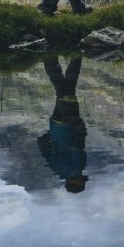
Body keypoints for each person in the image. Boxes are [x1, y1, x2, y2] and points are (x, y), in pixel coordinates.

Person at [38, 55, 89, 192]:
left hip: (70, 123)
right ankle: (53, 59)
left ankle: (68, 57)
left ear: (77, 180)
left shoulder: (77, 167)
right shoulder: (56, 169)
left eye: (81, 179)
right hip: (56, 124)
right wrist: (52, 134)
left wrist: (79, 127)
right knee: (64, 90)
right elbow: (42, 145)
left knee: (66, 90)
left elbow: (77, 148)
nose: (82, 177)